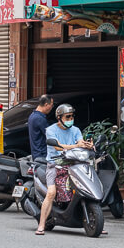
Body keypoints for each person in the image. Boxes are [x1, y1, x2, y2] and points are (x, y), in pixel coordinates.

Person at [35, 103, 93, 235]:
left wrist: (87, 145)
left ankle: (93, 221)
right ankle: (41, 224)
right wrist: (75, 145)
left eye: (72, 116)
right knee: (51, 193)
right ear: (59, 118)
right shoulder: (50, 130)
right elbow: (58, 147)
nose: (70, 119)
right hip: (54, 165)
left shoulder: (76, 130)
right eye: (67, 117)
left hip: (73, 164)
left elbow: (80, 142)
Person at [27, 95, 54, 161]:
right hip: (41, 154)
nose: (52, 108)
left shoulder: (32, 115)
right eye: (51, 105)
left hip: (36, 153)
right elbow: (50, 135)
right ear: (46, 104)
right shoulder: (40, 119)